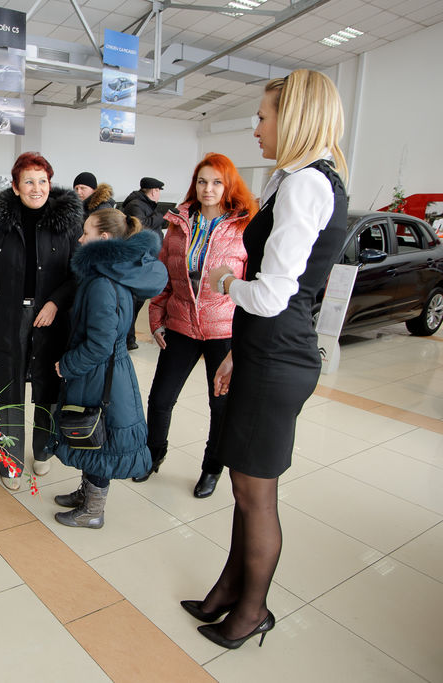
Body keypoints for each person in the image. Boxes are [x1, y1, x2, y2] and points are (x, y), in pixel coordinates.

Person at [183, 69, 349, 650]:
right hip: (264, 352)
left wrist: (226, 281)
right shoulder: (300, 178)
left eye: (262, 116)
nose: (256, 128)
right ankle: (229, 590)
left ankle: (252, 612)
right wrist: (237, 353)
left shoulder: (306, 184)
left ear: (294, 116)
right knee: (243, 486)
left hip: (278, 355)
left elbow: (274, 295)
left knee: (256, 496)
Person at [135, 154, 257, 498]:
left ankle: (212, 468)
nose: (208, 189)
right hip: (180, 326)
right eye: (202, 181)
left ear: (228, 185)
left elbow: (252, 285)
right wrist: (156, 319)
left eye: (217, 182)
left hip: (224, 330)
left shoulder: (244, 227)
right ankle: (153, 454)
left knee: (220, 406)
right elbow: (165, 277)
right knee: (160, 399)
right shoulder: (179, 224)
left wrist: (245, 337)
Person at [0, 152, 82, 490]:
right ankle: (10, 461)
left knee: (48, 388)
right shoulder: (2, 225)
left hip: (52, 320)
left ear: (50, 183)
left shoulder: (67, 224)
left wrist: (55, 302)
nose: (37, 188)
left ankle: (43, 449)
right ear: (16, 186)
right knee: (9, 391)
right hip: (9, 317)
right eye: (29, 181)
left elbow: (78, 273)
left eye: (42, 181)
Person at [52, 208, 167, 527]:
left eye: (86, 232)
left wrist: (67, 365)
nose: (80, 239)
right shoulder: (113, 272)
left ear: (103, 238)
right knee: (95, 435)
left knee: (101, 438)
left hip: (102, 375)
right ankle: (87, 494)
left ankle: (93, 511)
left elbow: (100, 343)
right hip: (107, 372)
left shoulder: (102, 282)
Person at [121, 177, 166, 350]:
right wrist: (160, 215)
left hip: (146, 259)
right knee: (134, 302)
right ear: (154, 191)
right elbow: (141, 226)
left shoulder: (144, 205)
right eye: (159, 191)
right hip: (138, 260)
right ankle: (127, 339)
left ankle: (129, 338)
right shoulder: (136, 205)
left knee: (137, 301)